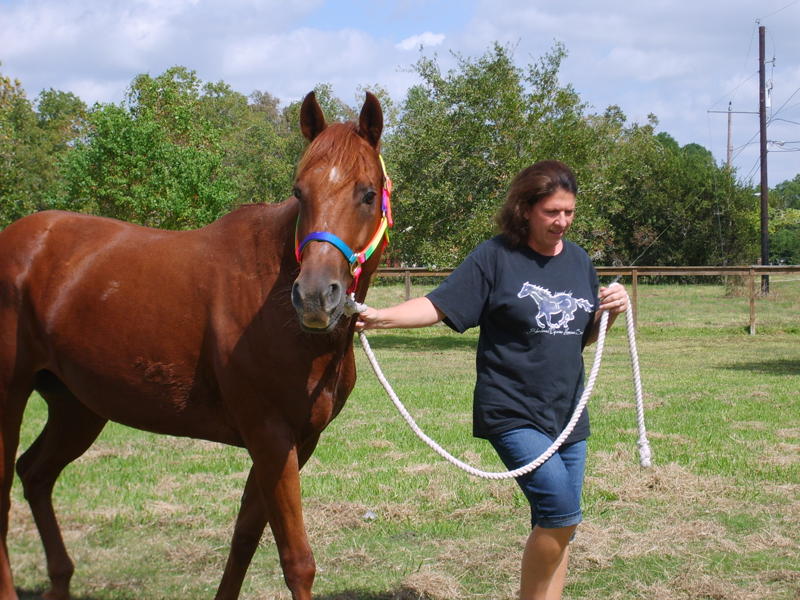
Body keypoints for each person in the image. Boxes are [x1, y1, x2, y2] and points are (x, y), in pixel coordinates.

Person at [356, 160, 629, 600]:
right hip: (513, 411)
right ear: (525, 209)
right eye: (552, 213)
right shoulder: (495, 257)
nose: (562, 222)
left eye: (569, 213)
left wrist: (609, 313)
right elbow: (439, 305)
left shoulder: (579, 261)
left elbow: (580, 337)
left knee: (560, 525)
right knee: (560, 513)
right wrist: (380, 318)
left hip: (568, 415)